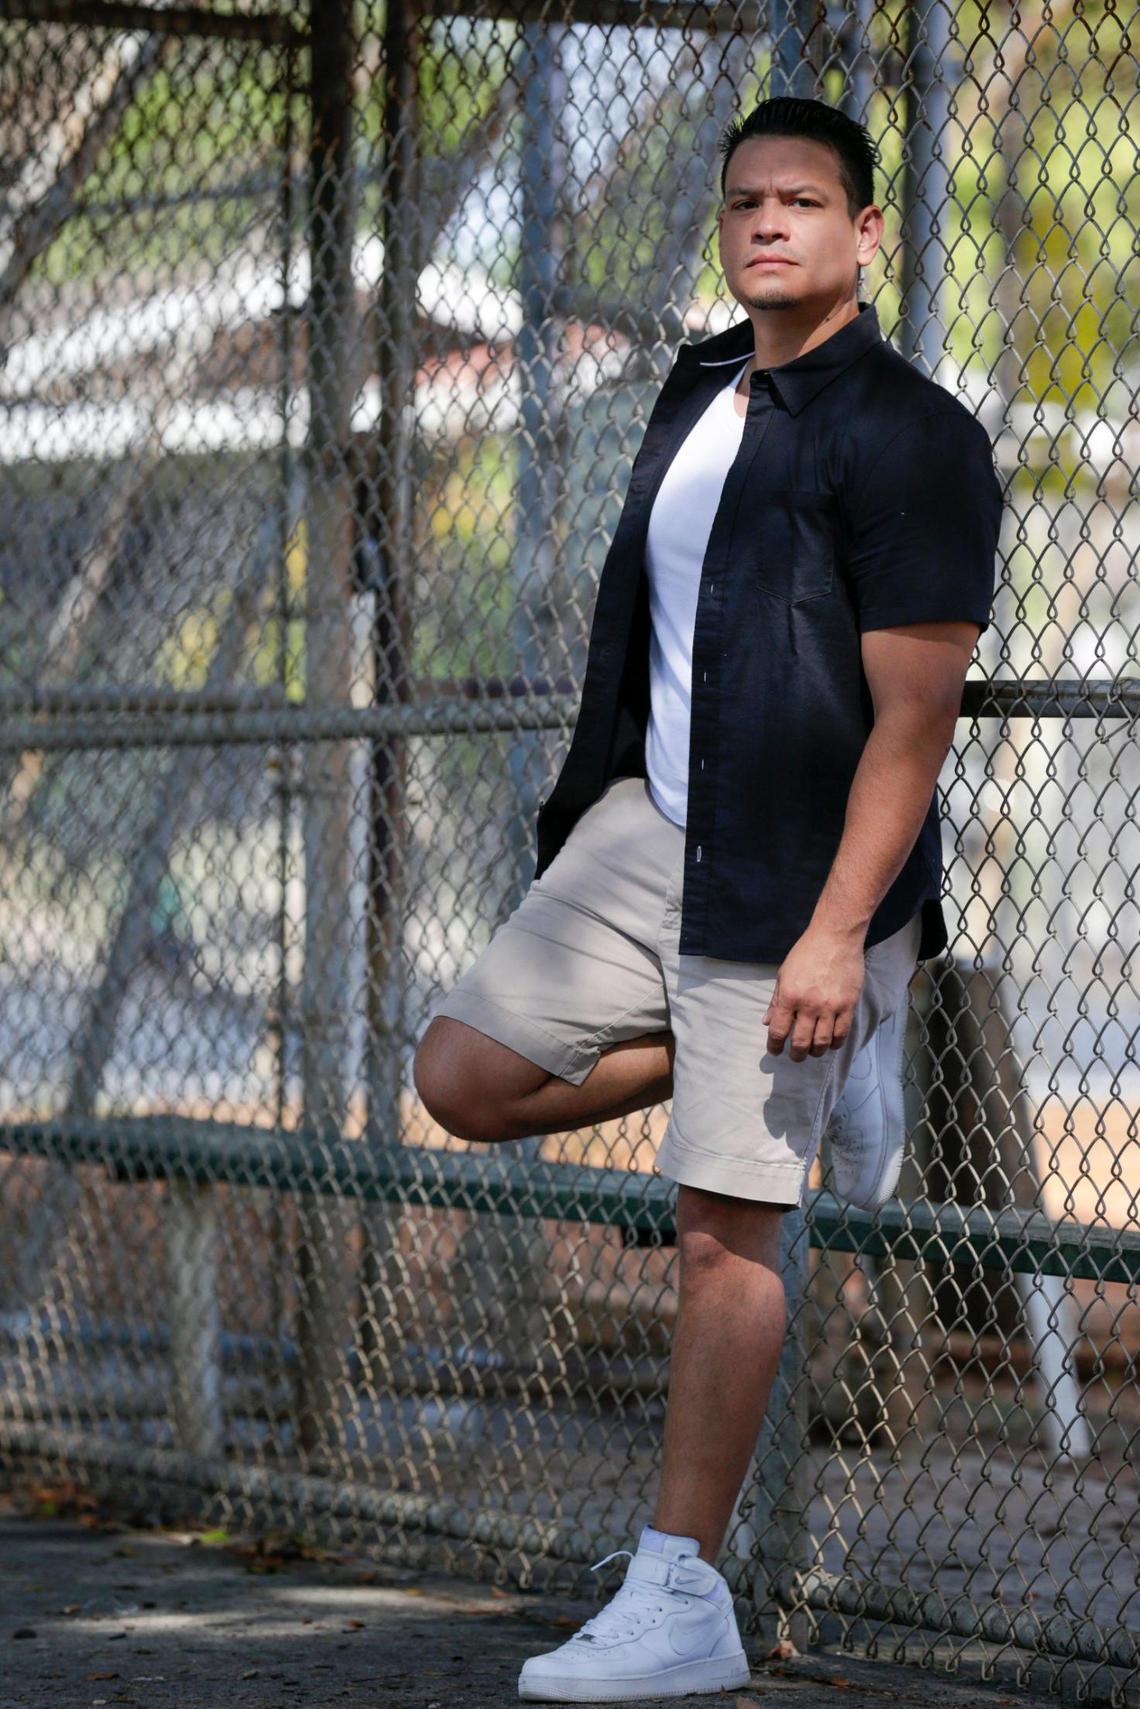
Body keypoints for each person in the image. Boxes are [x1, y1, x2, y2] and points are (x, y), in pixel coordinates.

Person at [414, 93, 1004, 1703]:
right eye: (746, 201)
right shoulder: (696, 388)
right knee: (462, 1073)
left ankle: (681, 1592)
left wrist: (834, 933)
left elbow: (913, 722)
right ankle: (794, 1049)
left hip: (791, 876)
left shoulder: (916, 437)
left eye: (802, 201)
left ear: (864, 232)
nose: (767, 223)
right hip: (651, 828)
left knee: (719, 1226)